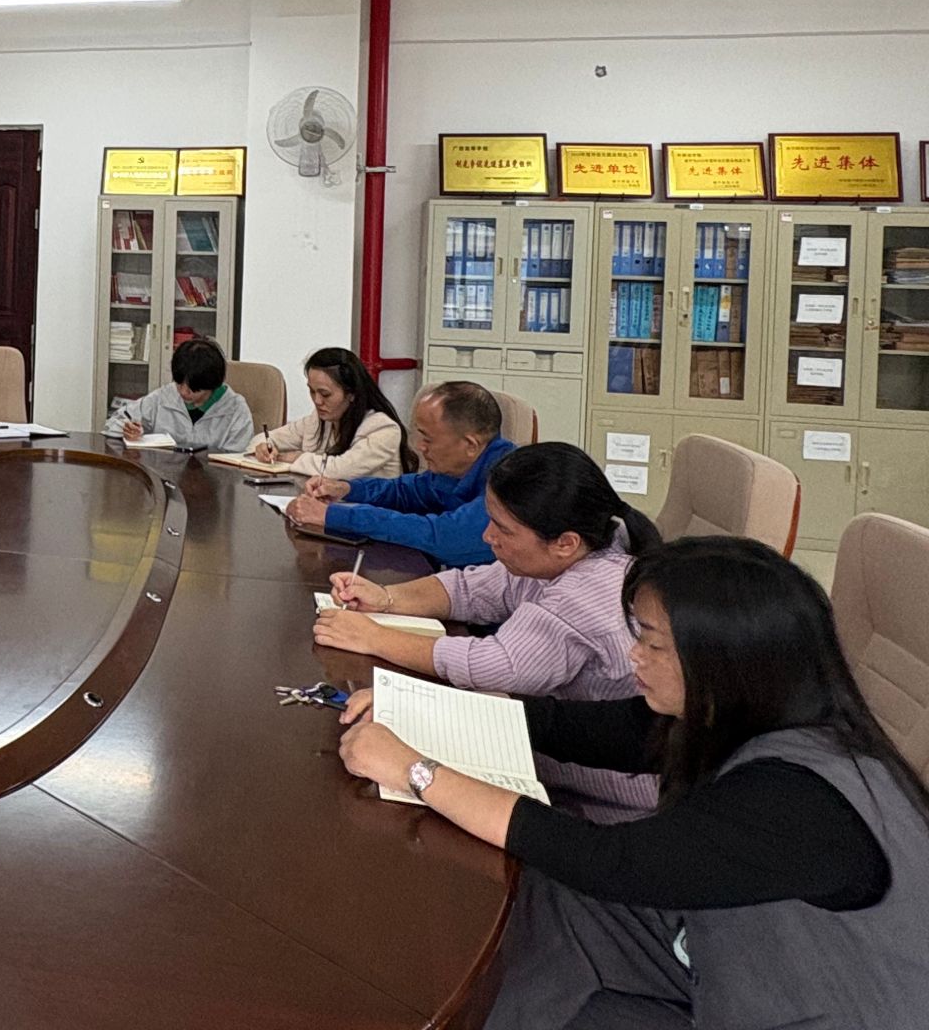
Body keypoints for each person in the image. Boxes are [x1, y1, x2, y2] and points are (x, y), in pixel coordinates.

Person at [336, 537, 929, 1028]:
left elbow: (609, 861)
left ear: (723, 661)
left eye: (651, 642)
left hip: (812, 1004)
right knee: (543, 898)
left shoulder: (798, 802)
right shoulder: (733, 715)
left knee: (564, 882)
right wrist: (422, 711)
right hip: (734, 953)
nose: (633, 655)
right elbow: (573, 727)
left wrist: (416, 771)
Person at [313, 442, 661, 814]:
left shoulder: (590, 591)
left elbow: (493, 664)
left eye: (502, 529)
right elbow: (471, 588)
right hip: (546, 744)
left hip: (601, 794)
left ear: (565, 543)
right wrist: (386, 598)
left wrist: (374, 637)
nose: (487, 536)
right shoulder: (579, 550)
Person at [282, 381, 510, 568]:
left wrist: (334, 515)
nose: (420, 447)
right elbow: (405, 491)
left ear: (470, 444)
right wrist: (347, 489)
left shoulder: (511, 484)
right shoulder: (459, 466)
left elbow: (443, 538)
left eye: (428, 439)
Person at [248, 346, 415, 479]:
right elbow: (263, 438)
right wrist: (264, 448)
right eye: (312, 391)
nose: (317, 401)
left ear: (351, 394)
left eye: (325, 394)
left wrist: (297, 457)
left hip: (368, 509)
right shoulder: (318, 420)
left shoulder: (383, 429)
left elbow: (341, 470)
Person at [103, 336, 255, 453]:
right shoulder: (163, 397)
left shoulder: (235, 409)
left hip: (214, 481)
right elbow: (114, 424)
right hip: (164, 478)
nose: (183, 392)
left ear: (212, 385)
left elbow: (238, 460)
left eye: (193, 389)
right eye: (179, 383)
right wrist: (129, 430)